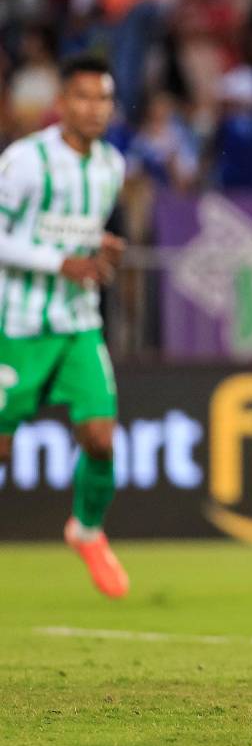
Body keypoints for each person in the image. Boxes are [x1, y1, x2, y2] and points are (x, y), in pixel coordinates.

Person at [0, 53, 129, 597]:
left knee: (100, 438)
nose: (94, 108)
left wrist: (97, 252)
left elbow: (77, 231)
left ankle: (87, 528)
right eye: (83, 97)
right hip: (19, 324)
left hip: (77, 323)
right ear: (62, 102)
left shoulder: (112, 166)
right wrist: (61, 262)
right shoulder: (27, 161)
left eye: (102, 98)